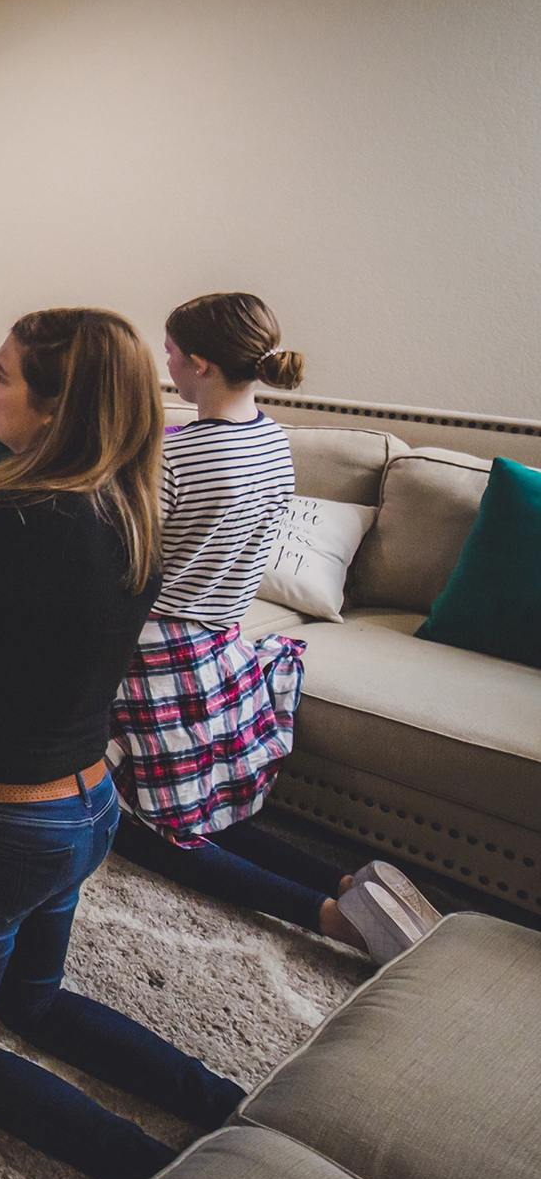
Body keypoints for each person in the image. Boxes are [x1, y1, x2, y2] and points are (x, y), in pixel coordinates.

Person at [0, 308, 249, 1179]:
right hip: (89, 807)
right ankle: (224, 1103)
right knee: (33, 998)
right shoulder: (136, 511)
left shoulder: (2, 523)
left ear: (55, 409)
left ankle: (159, 1178)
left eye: (0, 375)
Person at [108, 293, 443, 964]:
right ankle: (350, 881)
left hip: (156, 654)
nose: (164, 361)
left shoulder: (174, 456)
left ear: (199, 363)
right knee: (208, 812)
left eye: (170, 351)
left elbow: (130, 558)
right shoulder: (272, 442)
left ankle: (324, 913)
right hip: (223, 648)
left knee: (139, 823)